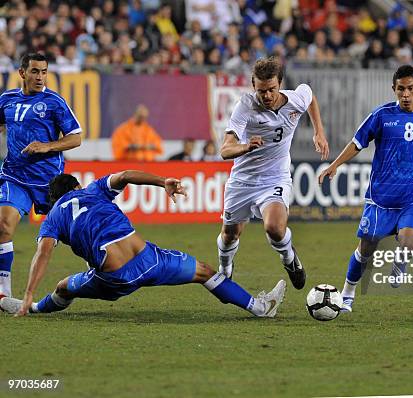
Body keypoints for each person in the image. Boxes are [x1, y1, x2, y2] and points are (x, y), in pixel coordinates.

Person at [0, 170, 286, 318]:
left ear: (54, 199)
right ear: (76, 187)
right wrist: (163, 182)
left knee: (63, 287)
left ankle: (33, 308)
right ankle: (259, 307)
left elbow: (43, 252)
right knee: (205, 272)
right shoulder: (92, 190)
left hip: (114, 278)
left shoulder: (52, 218)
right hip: (150, 259)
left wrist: (27, 293)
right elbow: (124, 176)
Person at [318, 65, 413, 313]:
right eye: (400, 89)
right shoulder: (381, 115)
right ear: (394, 89)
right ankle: (348, 293)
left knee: (411, 240)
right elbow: (357, 142)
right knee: (365, 249)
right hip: (381, 199)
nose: (405, 94)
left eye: (410, 89)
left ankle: (400, 261)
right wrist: (334, 165)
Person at [218, 56, 329, 290]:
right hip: (242, 180)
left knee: (275, 228)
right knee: (230, 234)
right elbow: (225, 150)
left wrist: (319, 131)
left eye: (271, 90)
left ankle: (290, 259)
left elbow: (310, 97)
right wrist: (246, 146)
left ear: (280, 83)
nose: (267, 96)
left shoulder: (295, 100)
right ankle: (225, 267)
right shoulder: (245, 106)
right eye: (261, 91)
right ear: (253, 86)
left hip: (275, 177)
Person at [0, 53, 82, 300]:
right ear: (22, 73)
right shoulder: (7, 100)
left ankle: (102, 266)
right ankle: (3, 295)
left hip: (49, 182)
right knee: (3, 226)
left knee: (73, 233)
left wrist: (47, 146)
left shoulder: (54, 102)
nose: (40, 77)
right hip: (15, 176)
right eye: (35, 71)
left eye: (44, 72)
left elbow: (76, 138)